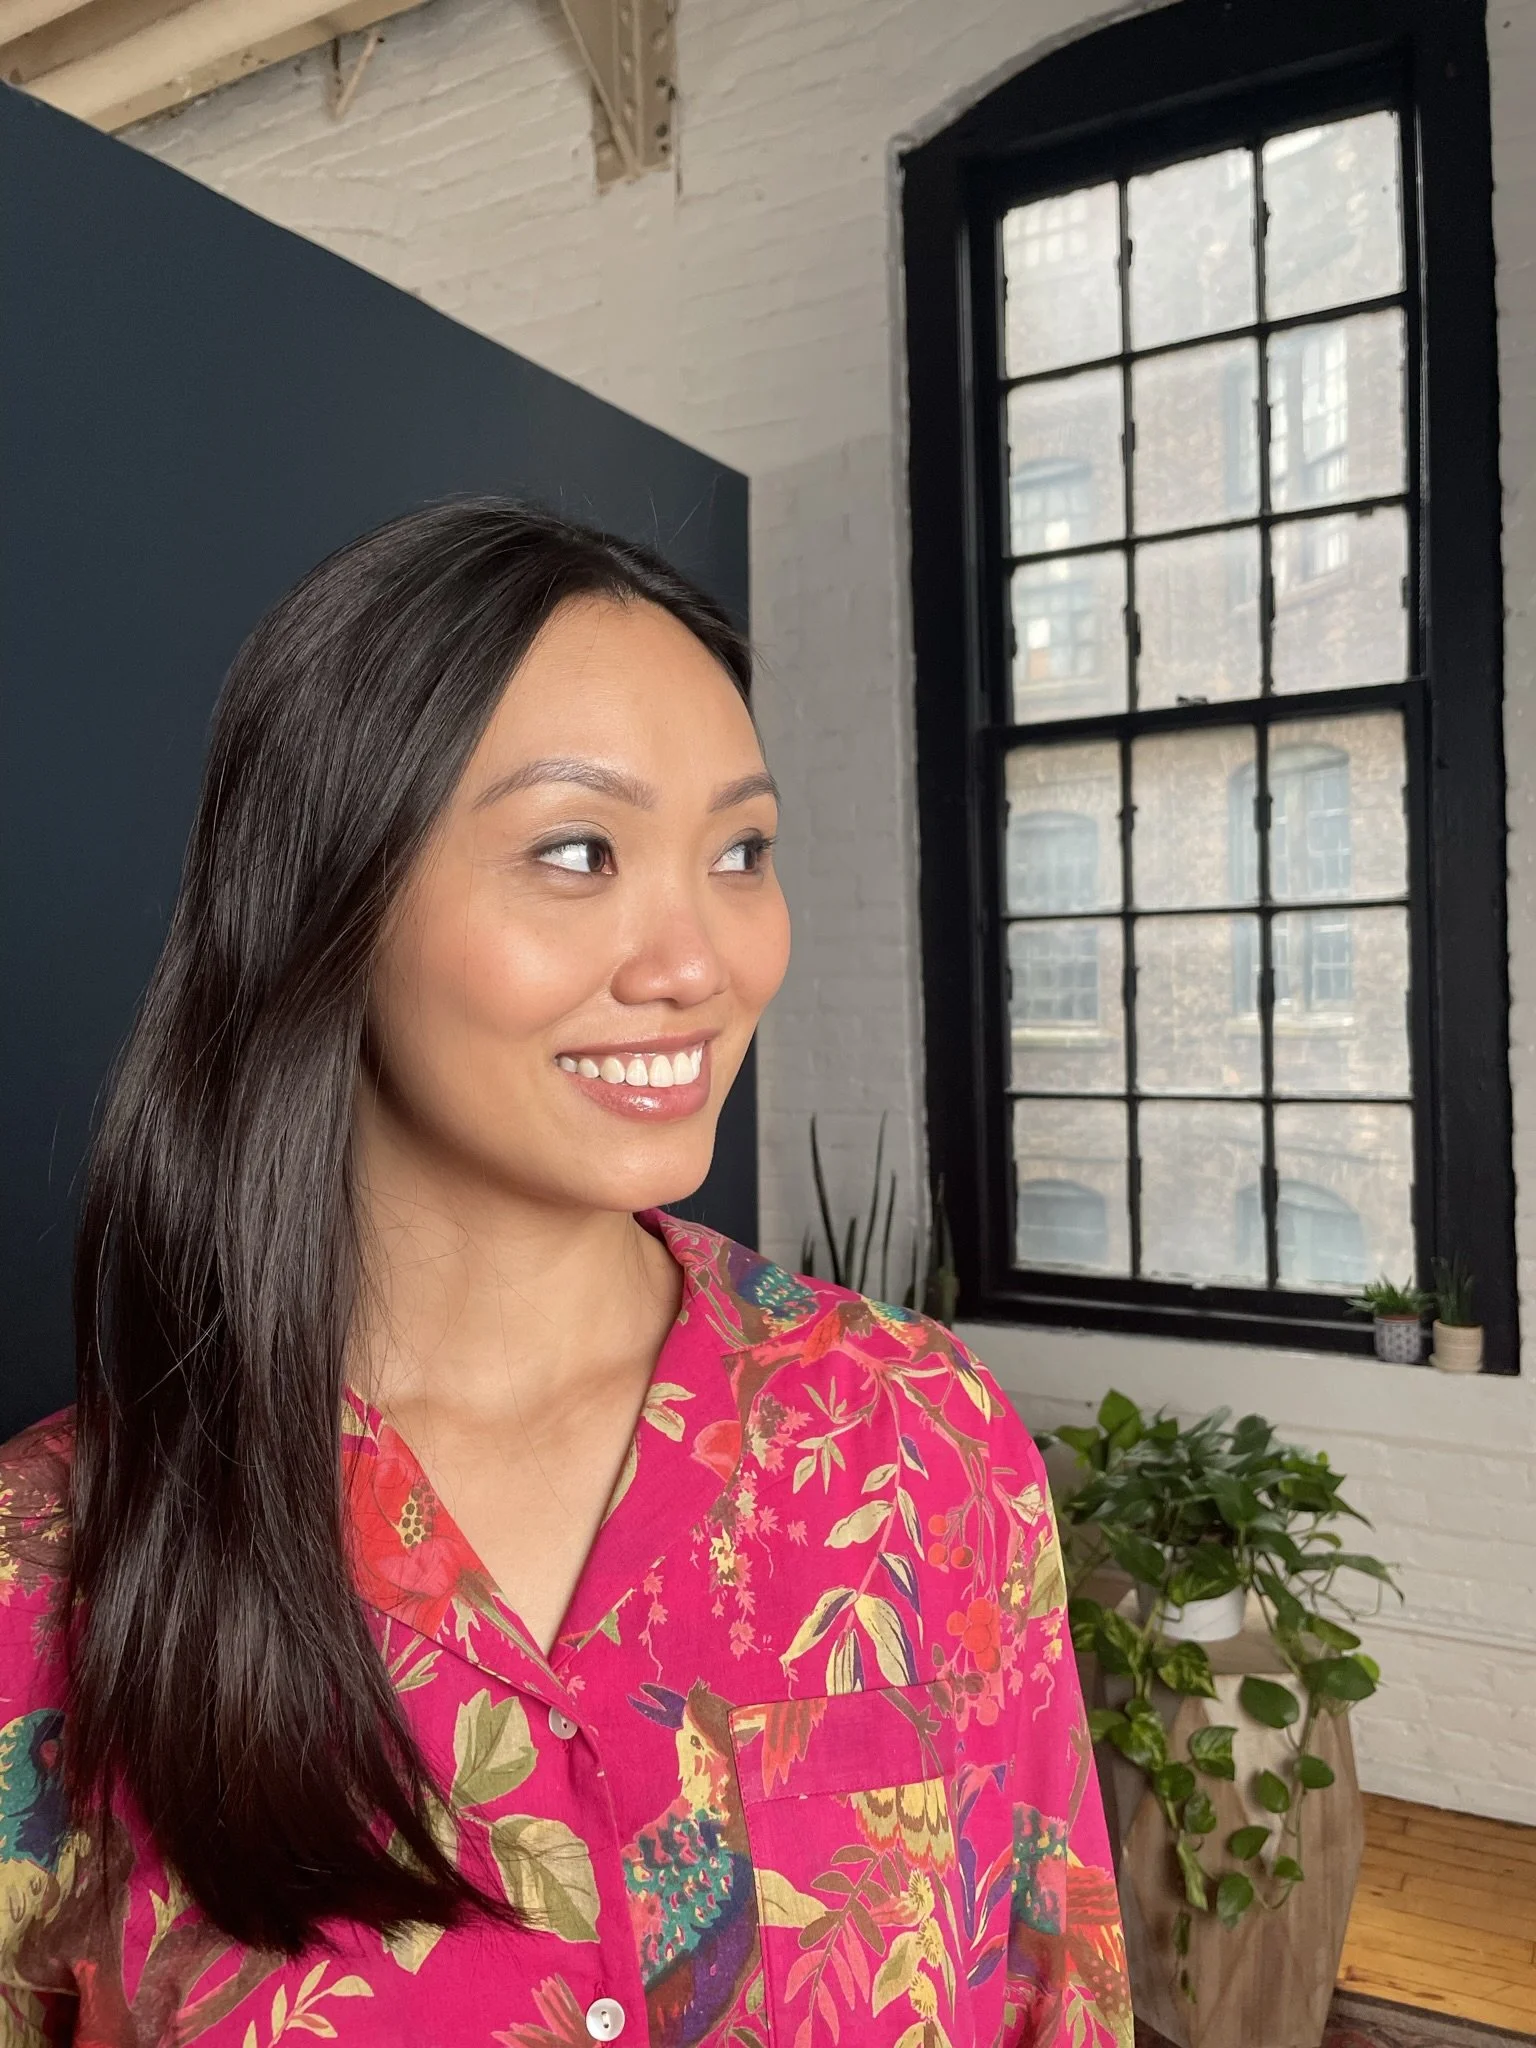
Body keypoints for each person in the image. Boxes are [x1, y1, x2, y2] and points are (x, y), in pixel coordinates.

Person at [0, 501, 1131, 2048]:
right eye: (579, 851)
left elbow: (1053, 2000)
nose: (699, 959)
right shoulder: (51, 1571)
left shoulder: (918, 1445)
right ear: (326, 896)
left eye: (741, 851)